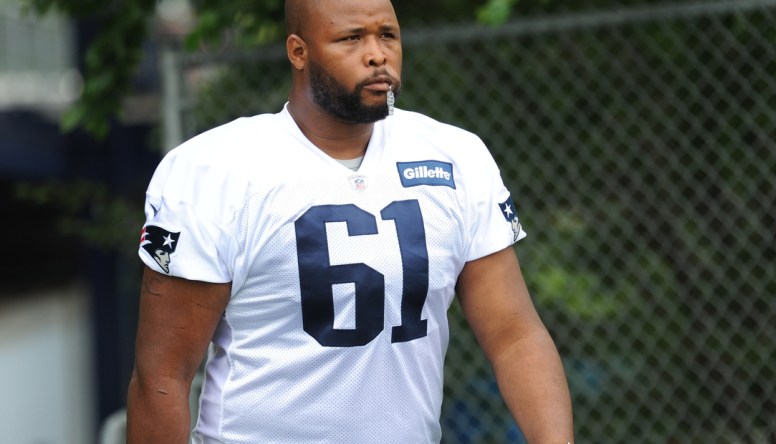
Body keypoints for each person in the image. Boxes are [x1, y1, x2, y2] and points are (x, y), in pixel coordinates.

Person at [126, 0, 574, 442]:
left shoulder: (456, 157)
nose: (377, 53)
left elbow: (514, 335)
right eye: (351, 38)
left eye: (388, 35)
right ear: (298, 52)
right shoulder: (213, 171)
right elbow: (163, 376)